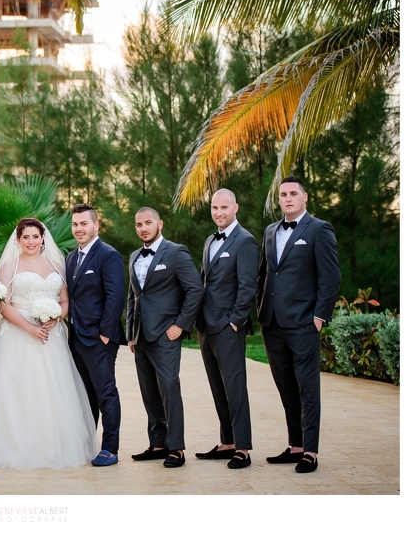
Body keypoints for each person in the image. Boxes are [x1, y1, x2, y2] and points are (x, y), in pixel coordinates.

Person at [0, 218, 98, 469]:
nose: (31, 242)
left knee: (50, 391)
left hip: (49, 338)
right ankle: (11, 446)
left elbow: (65, 301)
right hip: (18, 336)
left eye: (35, 237)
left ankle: (51, 446)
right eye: (26, 237)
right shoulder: (11, 265)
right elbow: (2, 303)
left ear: (43, 238)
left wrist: (56, 317)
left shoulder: (56, 264)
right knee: (16, 391)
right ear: (18, 240)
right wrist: (30, 327)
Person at [257, 176, 340, 473]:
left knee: (307, 387)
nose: (288, 198)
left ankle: (311, 451)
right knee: (286, 387)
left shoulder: (319, 229)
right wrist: (260, 309)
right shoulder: (269, 232)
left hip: (304, 323)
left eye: (294, 193)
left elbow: (330, 278)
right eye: (283, 194)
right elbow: (265, 274)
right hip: (272, 322)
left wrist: (319, 317)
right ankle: (296, 445)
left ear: (305, 197)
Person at [127, 207, 203, 468]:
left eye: (148, 223)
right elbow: (132, 297)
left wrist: (181, 325)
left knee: (169, 388)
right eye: (139, 224)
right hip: (141, 336)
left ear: (160, 223)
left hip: (165, 334)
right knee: (149, 392)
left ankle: (177, 448)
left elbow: (195, 289)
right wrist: (130, 333)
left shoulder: (175, 252)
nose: (143, 228)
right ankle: (158, 444)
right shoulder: (135, 256)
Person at [194, 190, 258, 469]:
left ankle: (242, 447)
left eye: (224, 207)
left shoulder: (245, 241)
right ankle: (227, 441)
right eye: (214, 207)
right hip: (206, 327)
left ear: (236, 207)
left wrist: (235, 321)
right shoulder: (210, 240)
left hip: (228, 327)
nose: (219, 212)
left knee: (235, 387)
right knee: (218, 388)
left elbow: (248, 286)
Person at [65, 204, 125, 467]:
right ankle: (88, 444)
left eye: (84, 224)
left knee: (105, 393)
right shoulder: (70, 258)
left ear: (96, 225)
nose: (79, 229)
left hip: (99, 339)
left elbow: (115, 297)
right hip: (76, 339)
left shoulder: (108, 255)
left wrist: (104, 334)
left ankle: (110, 448)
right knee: (84, 394)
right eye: (75, 224)